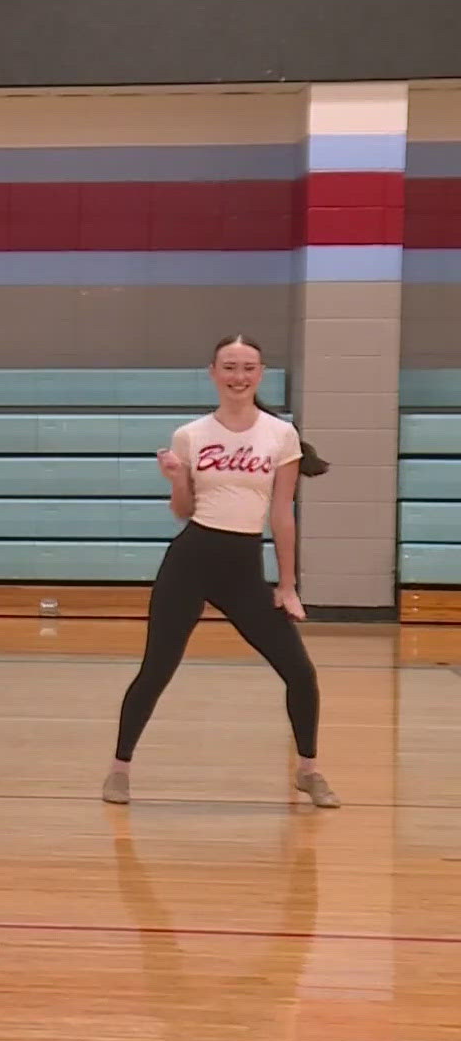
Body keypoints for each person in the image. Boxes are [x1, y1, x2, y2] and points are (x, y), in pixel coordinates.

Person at [102, 335, 337, 808]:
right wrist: (177, 480)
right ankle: (119, 770)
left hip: (244, 570)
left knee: (300, 672)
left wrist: (288, 585)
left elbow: (283, 514)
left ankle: (308, 771)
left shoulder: (280, 435)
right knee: (156, 670)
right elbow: (184, 510)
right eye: (229, 367)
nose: (238, 376)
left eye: (247, 367)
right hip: (190, 561)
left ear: (261, 373)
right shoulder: (190, 435)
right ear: (213, 373)